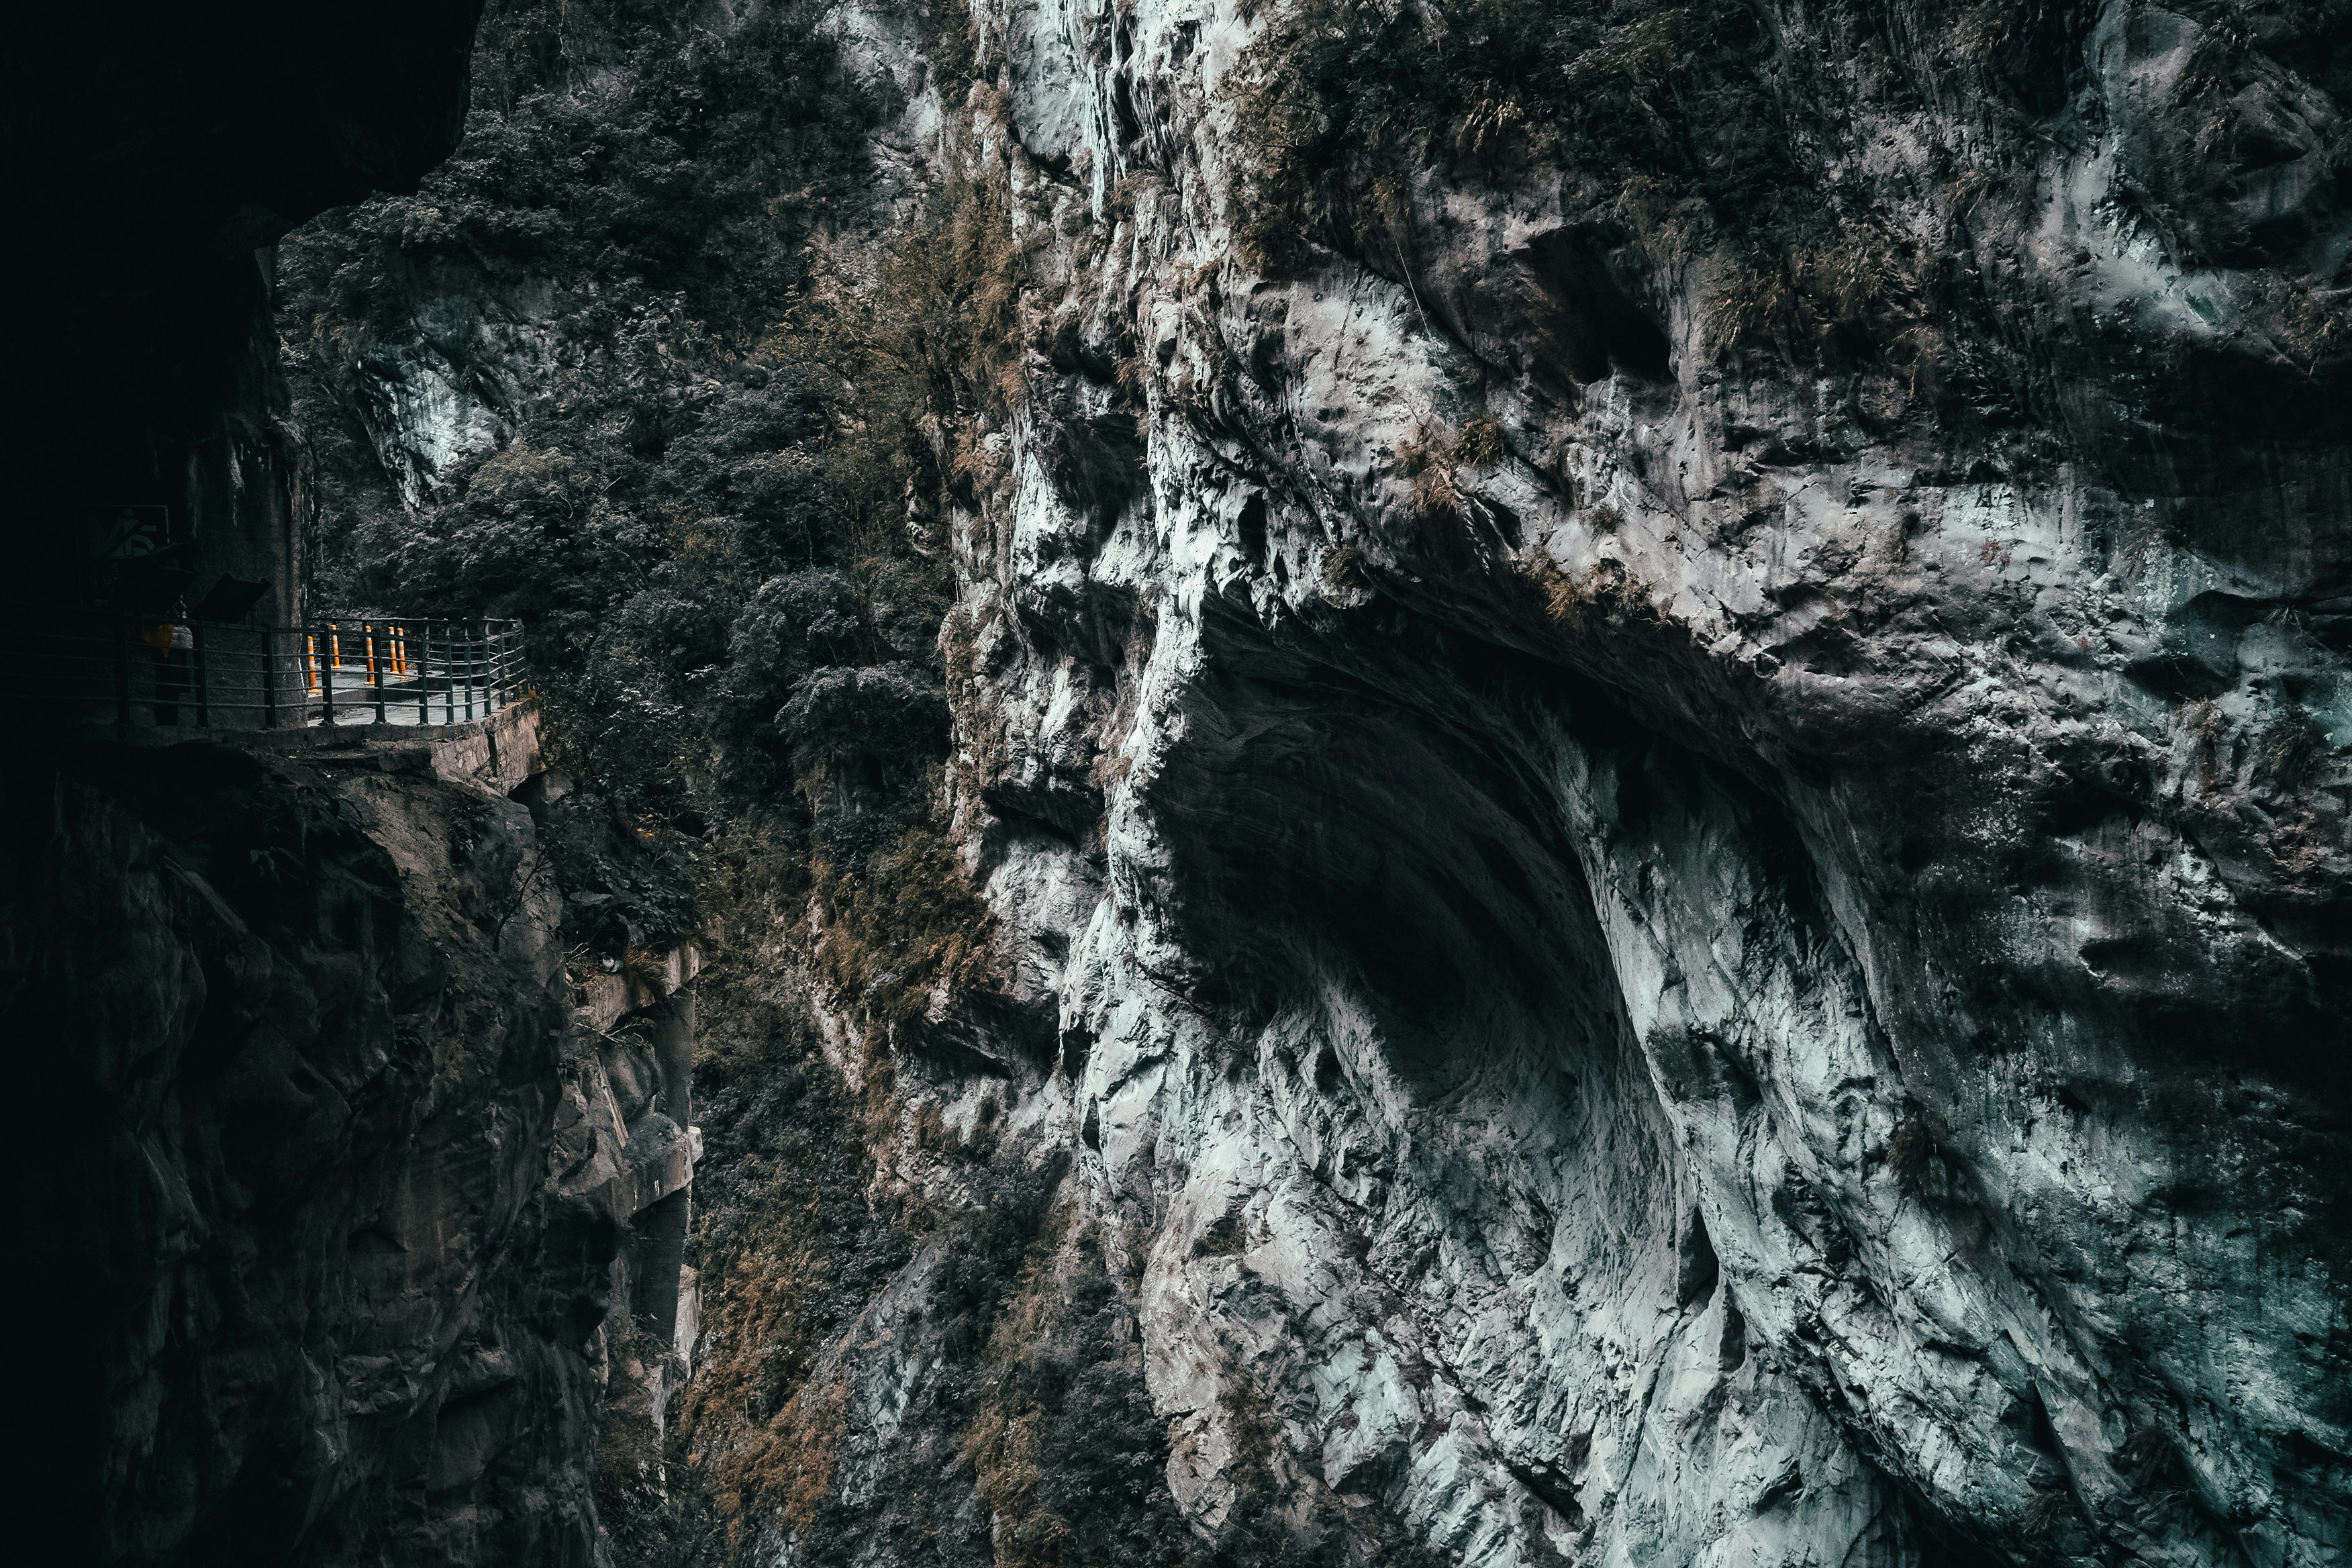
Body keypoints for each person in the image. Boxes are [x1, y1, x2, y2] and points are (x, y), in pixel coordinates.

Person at [142, 597, 194, 724]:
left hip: (177, 646)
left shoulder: (178, 601)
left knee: (173, 690)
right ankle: (165, 723)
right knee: (167, 689)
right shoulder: (165, 600)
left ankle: (170, 723)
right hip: (167, 646)